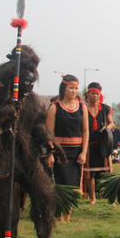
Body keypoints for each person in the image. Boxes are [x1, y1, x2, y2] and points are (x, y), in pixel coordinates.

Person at [0, 45, 61, 238]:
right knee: (5, 199)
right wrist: (1, 118)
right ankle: (4, 236)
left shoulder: (32, 101)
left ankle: (44, 235)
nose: (29, 86)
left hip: (26, 155)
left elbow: (37, 123)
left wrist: (47, 139)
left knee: (44, 192)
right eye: (25, 80)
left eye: (31, 81)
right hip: (0, 155)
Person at [46, 74, 89, 223]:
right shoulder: (54, 108)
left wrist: (84, 152)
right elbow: (49, 134)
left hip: (76, 152)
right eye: (71, 88)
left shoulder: (82, 108)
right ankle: (59, 214)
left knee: (74, 183)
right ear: (64, 88)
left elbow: (85, 131)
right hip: (60, 152)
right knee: (61, 182)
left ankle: (68, 214)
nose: (74, 91)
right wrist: (50, 153)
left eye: (76, 88)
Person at [84, 82, 115, 205]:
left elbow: (112, 124)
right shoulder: (83, 109)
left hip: (103, 145)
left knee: (106, 171)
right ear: (88, 94)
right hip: (89, 145)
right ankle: (93, 198)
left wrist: (107, 128)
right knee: (91, 172)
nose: (95, 96)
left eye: (97, 94)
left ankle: (109, 198)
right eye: (93, 93)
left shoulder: (105, 108)